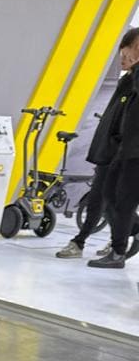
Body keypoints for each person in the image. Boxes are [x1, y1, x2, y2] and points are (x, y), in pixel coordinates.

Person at [56, 28, 139, 259]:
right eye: (122, 55)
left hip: (121, 152)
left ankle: (87, 242)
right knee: (104, 199)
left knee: (109, 200)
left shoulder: (134, 82)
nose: (122, 60)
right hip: (110, 151)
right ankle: (119, 237)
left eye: (126, 54)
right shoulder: (127, 81)